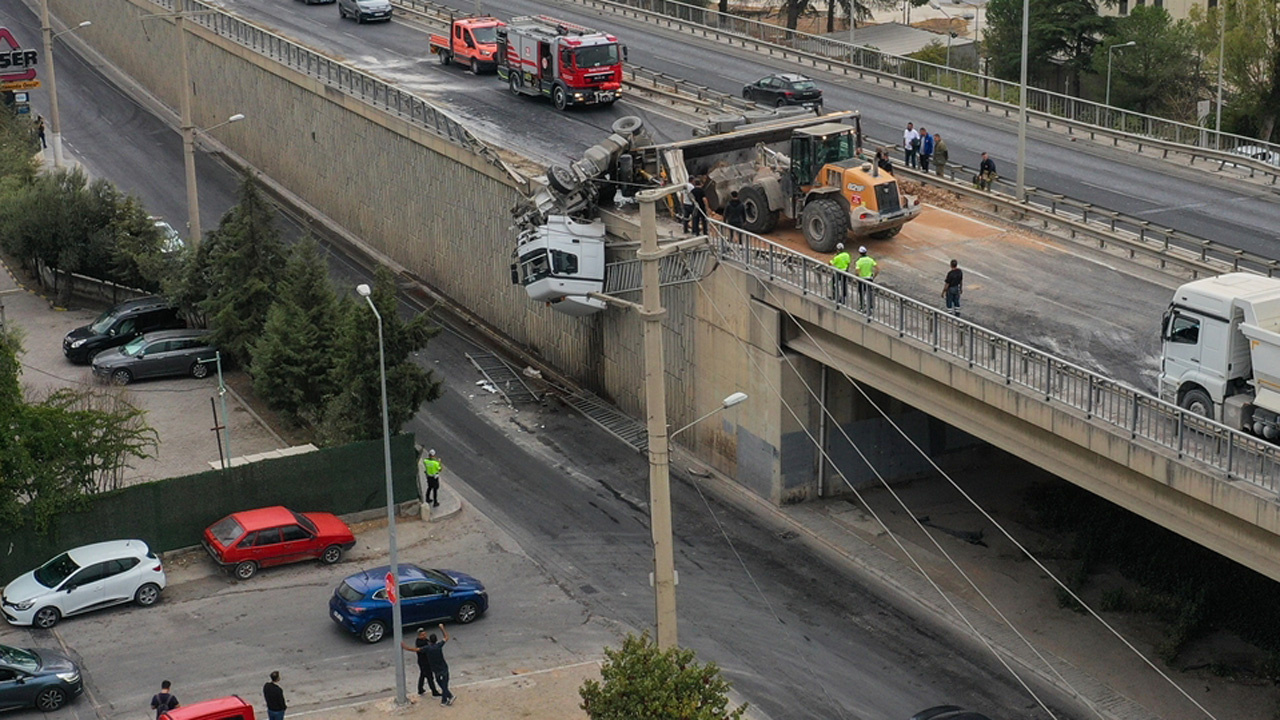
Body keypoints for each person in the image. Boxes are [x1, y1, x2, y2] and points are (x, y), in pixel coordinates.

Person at [402, 628, 441, 698]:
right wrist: (406, 647)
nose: (425, 635)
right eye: (423, 635)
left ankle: (420, 689)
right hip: (424, 662)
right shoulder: (421, 643)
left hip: (425, 661)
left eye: (425, 634)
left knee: (423, 675)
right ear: (419, 636)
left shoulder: (425, 640)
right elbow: (423, 648)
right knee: (429, 677)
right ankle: (434, 692)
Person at [425, 624, 454, 706]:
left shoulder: (428, 648)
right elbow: (446, 637)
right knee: (444, 683)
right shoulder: (439, 646)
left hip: (436, 669)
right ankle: (448, 696)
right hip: (443, 667)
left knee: (440, 682)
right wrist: (442, 628)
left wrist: (405, 647)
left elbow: (417, 649)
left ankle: (445, 699)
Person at [854, 245, 879, 312]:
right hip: (869, 279)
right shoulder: (870, 260)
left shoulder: (859, 261)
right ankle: (870, 307)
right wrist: (873, 276)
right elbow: (877, 269)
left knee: (862, 293)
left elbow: (857, 271)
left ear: (859, 253)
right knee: (869, 293)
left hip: (862, 279)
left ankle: (862, 307)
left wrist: (857, 277)